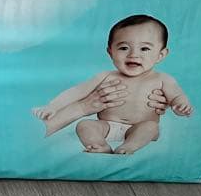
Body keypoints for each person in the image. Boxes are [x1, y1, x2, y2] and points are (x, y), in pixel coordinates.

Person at [32, 14, 192, 155]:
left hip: (139, 126)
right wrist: (53, 106)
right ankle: (100, 145)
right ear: (110, 52)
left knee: (150, 127)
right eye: (124, 48)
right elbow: (77, 92)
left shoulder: (162, 79)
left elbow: (176, 96)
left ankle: (129, 146)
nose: (133, 54)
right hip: (106, 126)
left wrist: (180, 106)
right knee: (84, 125)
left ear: (161, 55)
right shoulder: (105, 76)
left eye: (144, 48)